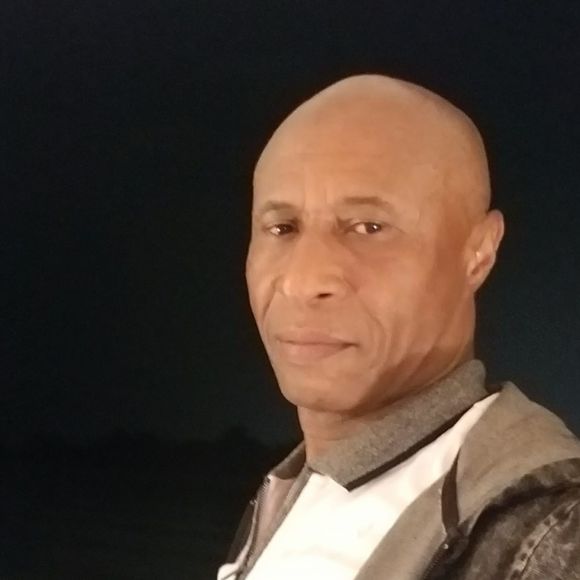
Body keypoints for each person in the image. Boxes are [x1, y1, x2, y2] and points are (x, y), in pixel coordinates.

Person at [217, 75, 580, 580]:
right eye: (282, 228)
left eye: (369, 227)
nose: (303, 281)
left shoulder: (548, 536)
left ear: (478, 252)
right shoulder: (300, 488)